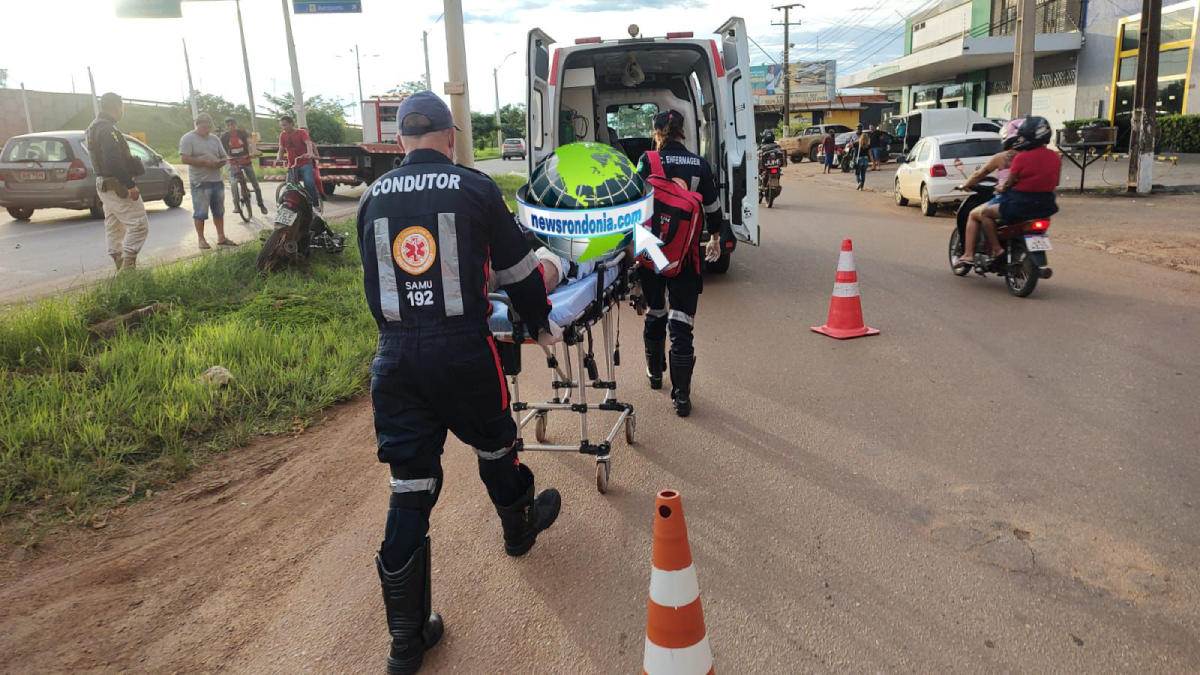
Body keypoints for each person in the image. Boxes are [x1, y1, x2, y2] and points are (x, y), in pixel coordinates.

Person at [356, 91, 562, 675]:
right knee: (496, 441)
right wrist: (539, 323)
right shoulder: (473, 188)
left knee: (410, 488)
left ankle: (405, 642)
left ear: (400, 141)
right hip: (463, 352)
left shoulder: (371, 198)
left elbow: (376, 283)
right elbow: (520, 269)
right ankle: (518, 530)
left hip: (395, 358)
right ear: (451, 137)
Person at [635, 109, 725, 417]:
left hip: (651, 252)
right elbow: (713, 208)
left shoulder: (647, 161)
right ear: (683, 132)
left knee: (655, 311)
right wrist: (715, 237)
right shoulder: (700, 164)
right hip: (685, 254)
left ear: (657, 132)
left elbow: (636, 202)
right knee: (681, 321)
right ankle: (682, 397)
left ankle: (655, 374)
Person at [956, 116, 1060, 266]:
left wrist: (1000, 188)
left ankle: (993, 250)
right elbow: (1055, 182)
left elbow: (1009, 183)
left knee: (981, 214)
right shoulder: (1055, 157)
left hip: (1017, 204)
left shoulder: (1019, 158)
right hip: (1045, 206)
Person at [86, 92, 149, 271]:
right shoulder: (107, 130)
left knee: (114, 225)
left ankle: (119, 264)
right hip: (117, 185)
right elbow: (113, 160)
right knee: (139, 225)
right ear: (117, 107)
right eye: (122, 107)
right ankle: (127, 271)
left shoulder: (93, 127)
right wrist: (130, 184)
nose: (123, 111)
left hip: (104, 184)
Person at [956, 125, 1022, 263]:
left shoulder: (1001, 157)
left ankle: (969, 254)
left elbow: (980, 174)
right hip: (1030, 201)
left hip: (1006, 199)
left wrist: (965, 185)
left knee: (974, 214)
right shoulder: (1029, 157)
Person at [179, 113, 236, 249]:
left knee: (219, 210)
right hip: (200, 181)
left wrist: (220, 163)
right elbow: (184, 158)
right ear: (197, 125)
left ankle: (221, 236)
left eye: (209, 127)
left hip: (216, 179)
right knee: (200, 212)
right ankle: (201, 239)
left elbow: (223, 155)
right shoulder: (188, 138)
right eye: (205, 127)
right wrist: (204, 163)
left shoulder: (214, 139)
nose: (207, 130)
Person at [221, 117, 267, 216]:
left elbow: (251, 142)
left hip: (246, 160)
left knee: (255, 183)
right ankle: (236, 205)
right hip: (233, 162)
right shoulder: (224, 136)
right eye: (228, 125)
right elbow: (220, 148)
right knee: (233, 183)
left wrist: (254, 151)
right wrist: (221, 158)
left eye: (232, 124)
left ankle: (261, 204)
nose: (230, 127)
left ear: (236, 125)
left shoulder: (243, 133)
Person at [277, 115, 321, 210]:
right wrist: (278, 159)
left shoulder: (301, 132)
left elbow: (308, 143)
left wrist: (309, 153)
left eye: (285, 125)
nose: (284, 127)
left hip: (305, 163)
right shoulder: (283, 135)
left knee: (309, 183)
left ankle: (315, 205)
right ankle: (290, 205)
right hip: (292, 164)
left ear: (292, 124)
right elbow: (281, 149)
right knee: (290, 185)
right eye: (282, 126)